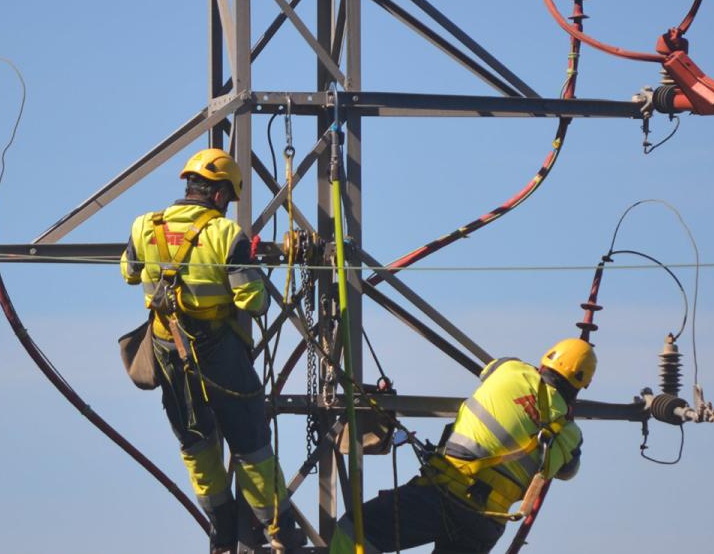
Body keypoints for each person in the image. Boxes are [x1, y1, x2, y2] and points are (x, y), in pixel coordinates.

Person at [120, 148, 304, 553]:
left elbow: (129, 273)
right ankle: (279, 530)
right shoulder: (226, 236)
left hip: (169, 352)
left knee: (196, 441)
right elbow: (252, 302)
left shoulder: (143, 227)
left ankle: (221, 528)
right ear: (220, 195)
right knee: (250, 441)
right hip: (218, 356)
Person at [329, 337, 596, 554]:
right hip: (486, 523)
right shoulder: (570, 435)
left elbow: (488, 370)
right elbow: (567, 470)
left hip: (445, 493)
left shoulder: (511, 370)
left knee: (354, 534)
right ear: (582, 386)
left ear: (545, 362)